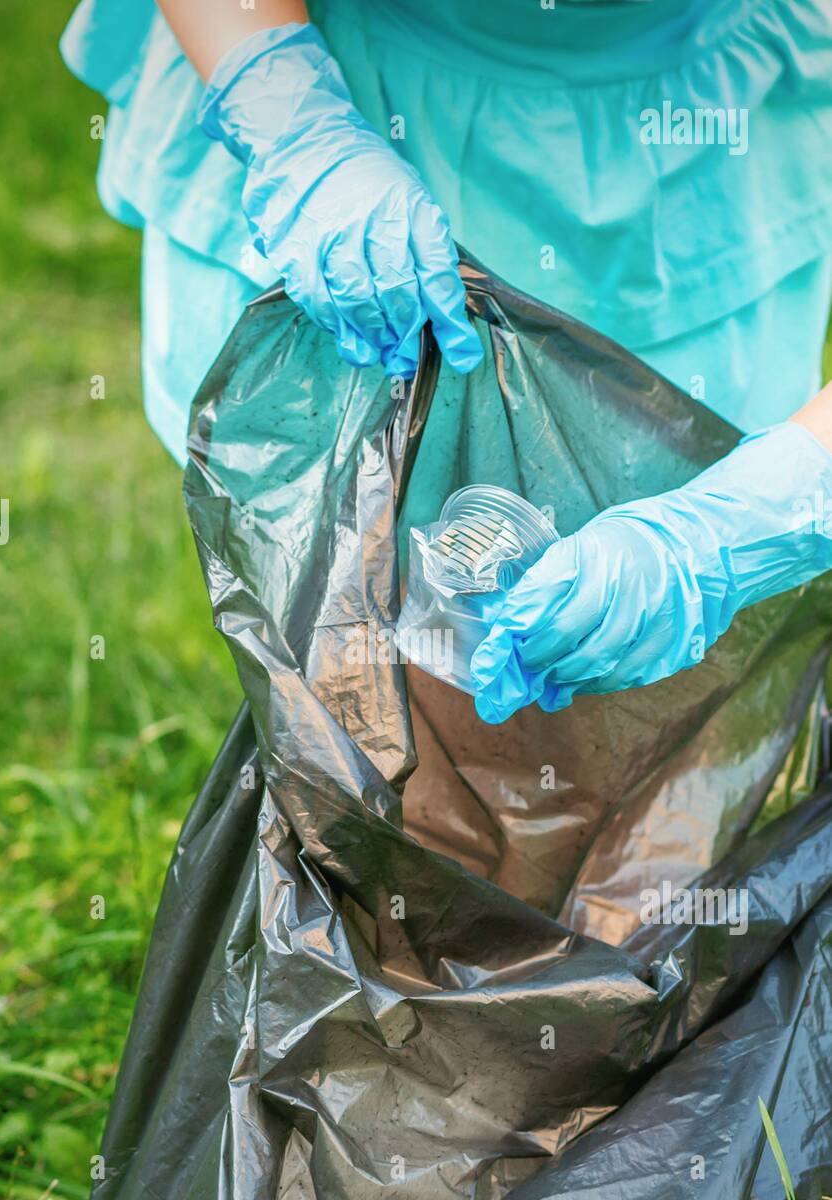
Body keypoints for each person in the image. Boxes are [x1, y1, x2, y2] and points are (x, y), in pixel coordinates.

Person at [61, 0, 832, 720]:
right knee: (372, 660)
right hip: (343, 72)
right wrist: (296, 127)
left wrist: (731, 531)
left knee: (640, 699)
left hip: (697, 138)